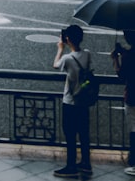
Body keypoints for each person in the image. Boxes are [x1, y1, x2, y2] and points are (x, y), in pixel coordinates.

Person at [52, 24, 92, 178]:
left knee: (70, 135)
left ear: (67, 39)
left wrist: (60, 49)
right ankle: (86, 163)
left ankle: (71, 166)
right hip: (84, 101)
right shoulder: (87, 54)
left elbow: (55, 65)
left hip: (70, 102)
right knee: (83, 134)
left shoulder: (68, 59)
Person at [111, 30, 135, 175]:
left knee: (134, 129)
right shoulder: (128, 54)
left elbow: (121, 75)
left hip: (132, 96)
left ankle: (133, 161)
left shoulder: (128, 56)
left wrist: (115, 58)